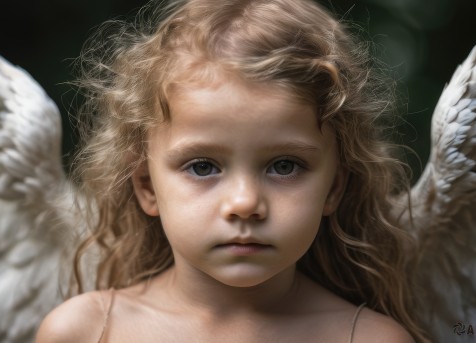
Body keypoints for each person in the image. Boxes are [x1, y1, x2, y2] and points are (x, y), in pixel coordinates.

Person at [36, 0, 427, 341]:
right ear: (146, 186)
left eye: (285, 166)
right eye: (203, 166)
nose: (244, 203)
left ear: (333, 188)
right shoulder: (84, 331)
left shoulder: (369, 339)